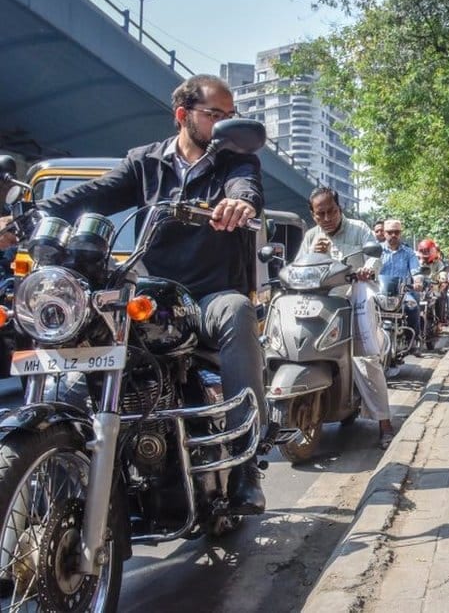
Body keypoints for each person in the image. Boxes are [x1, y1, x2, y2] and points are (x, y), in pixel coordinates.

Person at [0, 74, 268, 514]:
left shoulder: (235, 162)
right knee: (87, 329)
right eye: (214, 115)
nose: (222, 126)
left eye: (228, 117)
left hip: (208, 297)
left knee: (237, 311)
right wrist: (26, 217)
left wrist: (241, 204)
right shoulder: (144, 162)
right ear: (183, 115)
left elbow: (246, 188)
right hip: (154, 294)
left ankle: (246, 463)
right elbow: (95, 194)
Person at [299, 187, 395, 448]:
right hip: (322, 306)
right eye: (321, 214)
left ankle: (384, 424)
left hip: (355, 300)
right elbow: (298, 270)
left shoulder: (359, 228)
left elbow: (374, 256)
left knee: (366, 358)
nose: (328, 217)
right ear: (313, 215)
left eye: (332, 211)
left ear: (339, 209)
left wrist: (367, 269)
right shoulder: (310, 237)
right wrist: (314, 255)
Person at [379, 219, 422, 352]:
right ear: (384, 233)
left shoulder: (409, 253)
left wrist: (418, 281)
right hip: (380, 292)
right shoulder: (377, 251)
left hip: (403, 293)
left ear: (400, 233)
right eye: (390, 232)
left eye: (396, 232)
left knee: (413, 306)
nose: (393, 235)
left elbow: (416, 270)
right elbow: (369, 266)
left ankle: (412, 339)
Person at [417, 238, 449, 326]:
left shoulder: (438, 263)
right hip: (419, 287)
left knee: (439, 296)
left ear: (432, 251)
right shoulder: (416, 262)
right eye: (422, 251)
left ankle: (441, 319)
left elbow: (443, 272)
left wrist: (442, 279)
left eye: (427, 251)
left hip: (434, 286)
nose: (425, 253)